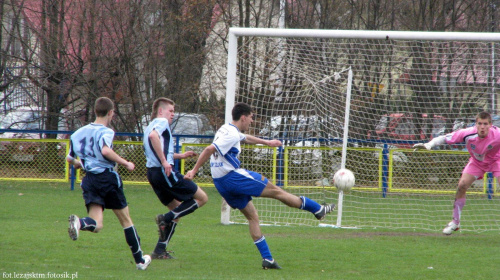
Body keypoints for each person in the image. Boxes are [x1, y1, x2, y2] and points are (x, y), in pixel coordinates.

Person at [184, 102, 336, 269]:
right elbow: (208, 149)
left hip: (221, 183)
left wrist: (268, 142)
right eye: (251, 117)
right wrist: (194, 170)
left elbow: (246, 138)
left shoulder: (226, 129)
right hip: (233, 177)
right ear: (243, 117)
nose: (252, 121)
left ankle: (268, 260)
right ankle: (317, 209)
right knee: (277, 191)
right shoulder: (232, 135)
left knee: (252, 216)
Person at [66, 97, 151, 270]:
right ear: (111, 113)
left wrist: (80, 164)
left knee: (97, 225)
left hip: (89, 179)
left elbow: (69, 158)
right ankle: (140, 261)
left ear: (96, 111)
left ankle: (80, 223)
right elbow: (105, 150)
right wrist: (126, 162)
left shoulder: (77, 133)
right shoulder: (106, 131)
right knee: (126, 220)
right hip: (106, 178)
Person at [413, 111, 500, 235]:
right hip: (477, 162)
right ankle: (455, 222)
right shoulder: (468, 134)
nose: (482, 127)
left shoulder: (497, 134)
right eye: (479, 123)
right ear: (476, 124)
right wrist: (429, 144)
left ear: (490, 125)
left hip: (497, 160)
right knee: (462, 186)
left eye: (485, 124)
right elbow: (444, 137)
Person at [143, 97, 208, 259]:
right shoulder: (161, 122)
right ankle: (164, 219)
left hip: (152, 173)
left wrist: (180, 155)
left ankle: (159, 251)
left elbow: (155, 146)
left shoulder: (149, 125)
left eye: (173, 111)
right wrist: (166, 162)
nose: (172, 114)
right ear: (160, 111)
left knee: (177, 211)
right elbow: (153, 137)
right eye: (170, 111)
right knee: (202, 198)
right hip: (163, 172)